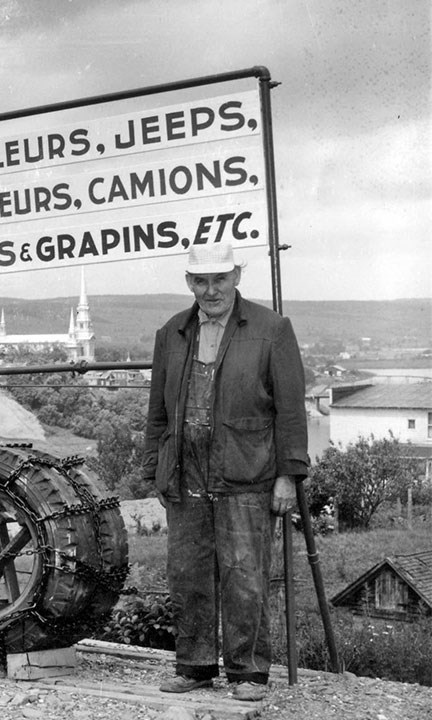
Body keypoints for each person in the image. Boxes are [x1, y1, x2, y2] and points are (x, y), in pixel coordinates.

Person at [141, 244, 309, 702]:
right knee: (187, 575)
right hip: (185, 472)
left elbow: (292, 411)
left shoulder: (272, 329)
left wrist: (288, 475)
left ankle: (248, 673)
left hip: (248, 470)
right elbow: (157, 409)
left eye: (220, 278)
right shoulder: (171, 332)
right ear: (188, 282)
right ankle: (194, 666)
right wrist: (156, 466)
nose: (210, 290)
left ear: (237, 275)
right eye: (200, 280)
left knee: (245, 575)